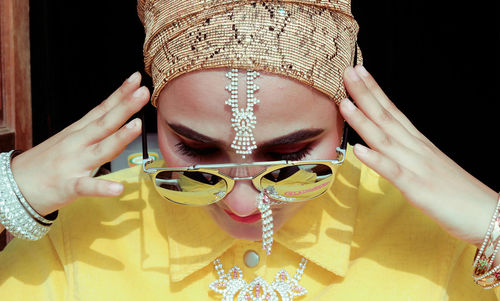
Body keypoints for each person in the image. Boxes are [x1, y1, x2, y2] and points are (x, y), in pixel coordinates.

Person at [0, 0, 498, 299]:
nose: (242, 202)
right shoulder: (84, 231)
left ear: (345, 123)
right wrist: (6, 197)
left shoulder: (442, 231)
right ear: (156, 119)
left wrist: (493, 225)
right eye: (195, 150)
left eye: (289, 159)